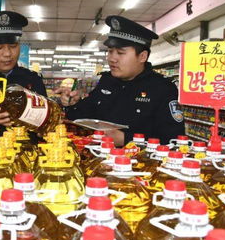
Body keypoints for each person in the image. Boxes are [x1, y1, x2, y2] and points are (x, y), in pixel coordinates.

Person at [56, 15, 185, 146]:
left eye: (120, 53)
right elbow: (83, 117)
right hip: (98, 161)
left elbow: (174, 141)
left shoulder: (162, 89)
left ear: (142, 56)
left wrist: (126, 139)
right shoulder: (107, 81)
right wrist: (73, 103)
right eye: (110, 51)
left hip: (139, 164)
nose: (112, 58)